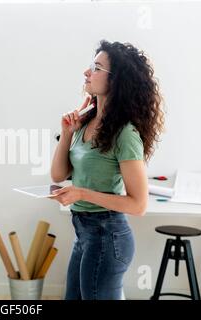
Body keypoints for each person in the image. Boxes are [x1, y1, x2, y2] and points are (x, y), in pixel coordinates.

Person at [50, 40, 164, 300]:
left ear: (116, 81)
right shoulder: (85, 121)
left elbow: (138, 205)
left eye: (97, 68)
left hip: (107, 235)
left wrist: (81, 194)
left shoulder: (125, 134)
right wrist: (67, 133)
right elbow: (58, 176)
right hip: (85, 234)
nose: (87, 72)